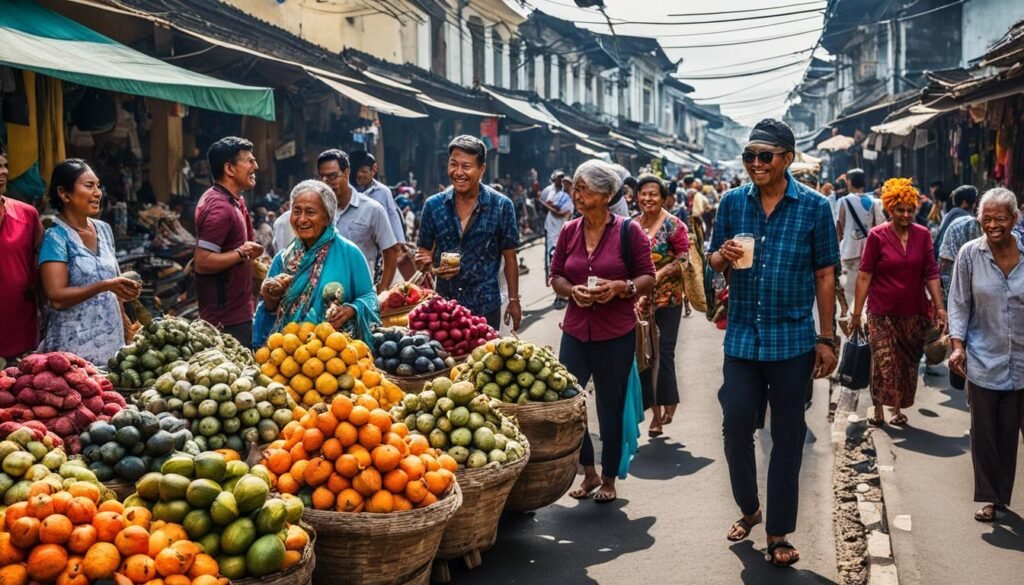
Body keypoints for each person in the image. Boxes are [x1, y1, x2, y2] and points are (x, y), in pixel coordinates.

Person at [708, 119, 839, 567]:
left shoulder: (815, 207)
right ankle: (749, 508)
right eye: (750, 156)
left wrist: (827, 337)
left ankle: (778, 531)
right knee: (735, 426)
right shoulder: (730, 202)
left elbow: (825, 274)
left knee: (788, 437)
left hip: (792, 341)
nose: (756, 164)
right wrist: (719, 259)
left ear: (788, 157)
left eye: (765, 156)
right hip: (743, 338)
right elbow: (711, 261)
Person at [551, 160, 655, 503]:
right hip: (577, 330)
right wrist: (571, 291)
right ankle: (588, 472)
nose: (576, 194)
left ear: (606, 195)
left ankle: (608, 477)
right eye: (575, 187)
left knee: (609, 407)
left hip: (615, 332)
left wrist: (621, 287)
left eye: (584, 188)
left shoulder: (629, 231)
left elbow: (647, 277)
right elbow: (556, 276)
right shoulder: (569, 230)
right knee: (569, 402)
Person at [947, 187, 1024, 522]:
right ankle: (991, 497)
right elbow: (960, 304)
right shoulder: (969, 254)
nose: (993, 225)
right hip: (982, 357)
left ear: (1015, 219)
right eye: (987, 219)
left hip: (1021, 359)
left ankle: (1002, 494)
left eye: (1001, 218)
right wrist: (958, 345)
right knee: (985, 433)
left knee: (1009, 432)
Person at [850, 177, 945, 426]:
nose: (905, 215)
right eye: (899, 210)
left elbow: (931, 273)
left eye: (909, 210)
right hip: (881, 312)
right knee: (884, 363)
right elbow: (864, 276)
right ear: (889, 209)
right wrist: (856, 313)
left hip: (915, 313)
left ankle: (897, 409)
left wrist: (941, 308)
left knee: (907, 364)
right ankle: (879, 407)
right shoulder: (877, 236)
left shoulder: (923, 235)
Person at [253, 180, 380, 347]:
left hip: (336, 353)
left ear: (327, 218)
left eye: (310, 212)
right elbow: (269, 308)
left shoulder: (349, 253)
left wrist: (351, 310)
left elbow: (369, 297)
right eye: (296, 211)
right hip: (288, 354)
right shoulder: (283, 259)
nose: (302, 219)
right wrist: (269, 298)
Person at [39, 159, 141, 365]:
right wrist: (105, 286)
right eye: (89, 186)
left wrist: (128, 334)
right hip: (72, 351)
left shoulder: (103, 229)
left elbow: (116, 292)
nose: (98, 193)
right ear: (64, 193)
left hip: (112, 346)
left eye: (98, 186)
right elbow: (56, 297)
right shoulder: (56, 237)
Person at [415, 136, 522, 330]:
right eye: (453, 165)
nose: (458, 173)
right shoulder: (433, 206)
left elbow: (510, 258)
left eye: (466, 166)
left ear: (482, 169)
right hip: (444, 307)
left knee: (484, 358)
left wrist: (514, 300)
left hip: (486, 306)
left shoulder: (501, 205)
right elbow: (423, 255)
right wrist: (429, 265)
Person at [193, 137, 264, 347]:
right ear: (230, 169)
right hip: (226, 321)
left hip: (239, 311)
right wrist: (241, 253)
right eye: (249, 161)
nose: (256, 166)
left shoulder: (235, 201)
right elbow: (203, 262)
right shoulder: (219, 208)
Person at [635, 175, 688, 437]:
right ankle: (655, 414)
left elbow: (685, 260)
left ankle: (670, 399)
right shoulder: (631, 226)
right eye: (643, 193)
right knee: (645, 356)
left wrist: (663, 272)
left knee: (664, 352)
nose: (648, 199)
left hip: (669, 300)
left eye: (653, 194)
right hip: (640, 301)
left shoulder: (674, 225)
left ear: (663, 197)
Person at [317, 149, 399, 293]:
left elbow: (391, 251)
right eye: (322, 178)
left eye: (332, 176)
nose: (326, 183)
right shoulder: (316, 211)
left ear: (347, 173)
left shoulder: (372, 209)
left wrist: (381, 289)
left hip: (361, 296)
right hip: (322, 295)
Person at [0, 144, 44, 360]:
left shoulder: (27, 215)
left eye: (5, 166)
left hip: (19, 321)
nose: (3, 172)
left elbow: (42, 264)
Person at [835, 168, 885, 306]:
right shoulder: (876, 202)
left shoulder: (843, 202)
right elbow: (881, 227)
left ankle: (854, 322)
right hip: (872, 254)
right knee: (871, 293)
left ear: (849, 182)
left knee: (852, 294)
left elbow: (838, 229)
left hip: (851, 253)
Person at [350, 152, 406, 250]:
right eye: (357, 171)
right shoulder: (348, 191)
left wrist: (399, 243)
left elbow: (392, 216)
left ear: (374, 169)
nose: (359, 175)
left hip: (376, 245)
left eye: (363, 171)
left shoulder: (383, 192)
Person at [542, 174, 574, 308]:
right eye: (563, 182)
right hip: (551, 231)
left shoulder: (571, 201)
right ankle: (558, 293)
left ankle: (562, 294)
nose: (564, 185)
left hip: (561, 234)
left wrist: (550, 208)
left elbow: (562, 214)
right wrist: (551, 207)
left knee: (561, 261)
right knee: (552, 260)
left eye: (567, 183)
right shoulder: (556, 193)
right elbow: (550, 204)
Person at [934, 185, 978, 256]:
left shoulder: (948, 215)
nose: (975, 204)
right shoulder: (969, 220)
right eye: (975, 201)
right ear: (964, 203)